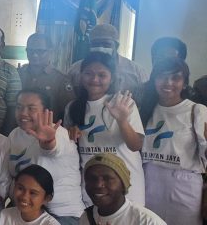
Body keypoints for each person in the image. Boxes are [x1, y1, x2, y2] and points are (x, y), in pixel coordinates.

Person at [64, 52, 145, 205]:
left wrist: (122, 120)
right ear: (81, 76)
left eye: (102, 75)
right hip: (92, 183)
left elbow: (135, 145)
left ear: (111, 78)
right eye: (89, 73)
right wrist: (69, 136)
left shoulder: (123, 102)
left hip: (125, 183)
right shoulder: (73, 107)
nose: (95, 79)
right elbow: (68, 149)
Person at [139, 58, 206, 224]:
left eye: (175, 77)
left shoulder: (196, 110)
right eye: (162, 76)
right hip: (148, 183)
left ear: (184, 83)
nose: (168, 82)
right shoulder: (145, 109)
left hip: (185, 186)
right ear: (154, 80)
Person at [8, 89, 83, 225]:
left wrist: (48, 142)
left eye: (31, 108)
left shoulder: (59, 134)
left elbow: (53, 149)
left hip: (61, 214)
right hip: (27, 210)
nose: (23, 113)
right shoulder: (15, 134)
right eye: (19, 107)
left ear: (45, 112)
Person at [67, 24, 148, 98]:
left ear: (116, 46)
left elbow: (145, 100)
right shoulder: (76, 69)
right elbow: (67, 96)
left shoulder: (136, 71)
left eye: (106, 44)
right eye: (95, 44)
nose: (100, 47)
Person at [81, 154, 165, 225]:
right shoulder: (86, 218)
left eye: (107, 178)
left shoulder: (147, 221)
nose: (98, 185)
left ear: (123, 184)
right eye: (92, 178)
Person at [19, 33, 74, 122]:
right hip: (20, 130)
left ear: (50, 51)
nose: (34, 55)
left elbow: (69, 112)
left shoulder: (60, 80)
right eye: (30, 50)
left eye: (40, 51)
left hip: (48, 132)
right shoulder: (18, 74)